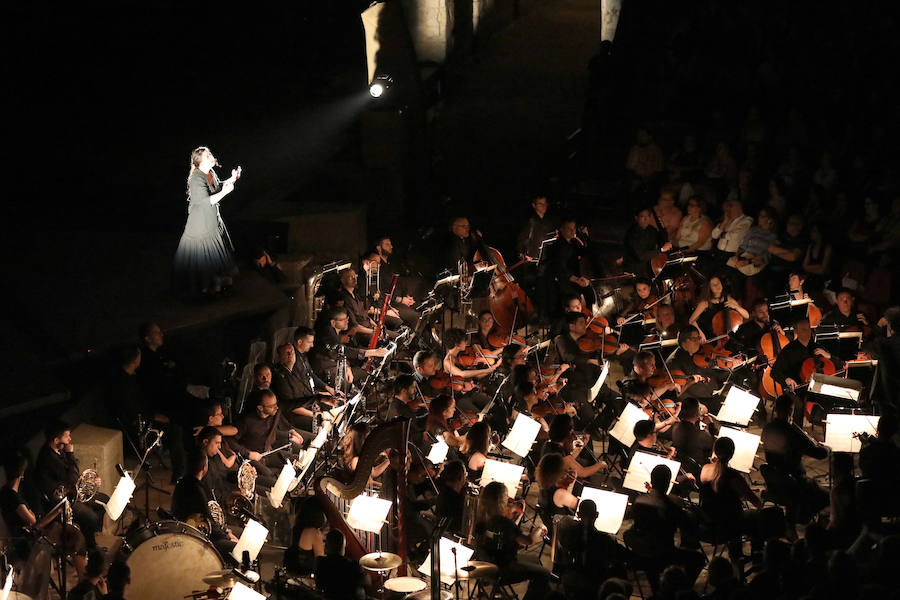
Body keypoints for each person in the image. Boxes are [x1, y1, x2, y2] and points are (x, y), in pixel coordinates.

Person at [173, 146, 241, 297]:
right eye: (208, 155)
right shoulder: (196, 178)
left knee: (217, 259)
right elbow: (205, 201)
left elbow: (217, 187)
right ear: (200, 161)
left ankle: (216, 287)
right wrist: (224, 192)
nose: (211, 156)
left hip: (212, 220)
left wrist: (232, 179)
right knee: (205, 259)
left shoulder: (210, 172)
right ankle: (203, 291)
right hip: (201, 226)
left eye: (210, 154)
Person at [30, 420, 108, 550]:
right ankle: (89, 547)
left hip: (71, 493)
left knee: (105, 501)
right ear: (56, 440)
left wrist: (92, 482)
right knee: (92, 518)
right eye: (67, 436)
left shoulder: (57, 451)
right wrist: (70, 454)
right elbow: (73, 479)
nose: (70, 439)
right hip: (62, 503)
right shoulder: (48, 458)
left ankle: (90, 538)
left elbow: (73, 477)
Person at [625, 464, 704, 587]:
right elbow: (687, 526)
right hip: (665, 553)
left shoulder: (639, 500)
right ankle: (682, 588)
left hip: (643, 551)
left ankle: (657, 588)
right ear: (668, 483)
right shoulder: (674, 502)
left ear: (651, 481)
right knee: (698, 559)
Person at [473, 481, 549, 600]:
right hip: (503, 569)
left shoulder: (480, 517)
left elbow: (507, 534)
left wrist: (517, 518)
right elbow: (528, 540)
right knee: (544, 574)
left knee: (535, 561)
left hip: (485, 566)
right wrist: (540, 528)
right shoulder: (504, 523)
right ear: (502, 501)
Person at [761, 395, 829, 524]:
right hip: (795, 481)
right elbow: (819, 454)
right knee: (827, 496)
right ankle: (803, 517)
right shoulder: (793, 433)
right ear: (791, 410)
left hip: (775, 479)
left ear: (775, 409)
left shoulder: (767, 428)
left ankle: (799, 514)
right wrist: (827, 448)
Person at [698, 437, 765, 562]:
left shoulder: (705, 469)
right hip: (727, 525)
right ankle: (757, 555)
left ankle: (737, 553)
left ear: (715, 451)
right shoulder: (732, 476)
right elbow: (754, 500)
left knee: (734, 512)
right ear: (732, 453)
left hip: (709, 521)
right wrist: (760, 499)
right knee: (756, 516)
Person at [557, 499, 628, 600]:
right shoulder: (604, 539)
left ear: (578, 514)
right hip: (594, 581)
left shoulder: (568, 533)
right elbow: (623, 555)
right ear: (597, 515)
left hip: (570, 575)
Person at [171, 451, 238, 556]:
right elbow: (209, 523)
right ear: (205, 467)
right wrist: (227, 536)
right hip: (199, 540)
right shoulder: (197, 490)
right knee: (240, 548)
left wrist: (226, 532)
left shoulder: (182, 482)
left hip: (188, 532)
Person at [771, 317, 833, 421]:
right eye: (804, 329)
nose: (807, 332)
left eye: (809, 329)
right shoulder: (788, 350)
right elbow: (774, 372)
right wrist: (787, 379)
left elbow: (836, 363)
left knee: (831, 400)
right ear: (796, 331)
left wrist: (828, 355)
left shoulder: (816, 347)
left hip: (814, 387)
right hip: (795, 388)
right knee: (799, 405)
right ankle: (796, 430)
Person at [687, 275, 748, 342]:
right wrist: (700, 333)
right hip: (710, 338)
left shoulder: (728, 299)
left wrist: (737, 307)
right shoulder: (705, 303)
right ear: (709, 288)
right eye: (714, 285)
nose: (717, 286)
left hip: (728, 338)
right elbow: (691, 320)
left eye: (718, 283)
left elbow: (746, 315)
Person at [1, 452, 37, 561]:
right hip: (23, 544)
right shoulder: (13, 497)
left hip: (17, 542)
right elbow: (32, 520)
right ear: (22, 473)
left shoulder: (4, 491)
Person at [671, 398, 718, 479]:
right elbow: (716, 443)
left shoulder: (676, 427)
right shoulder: (701, 435)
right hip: (698, 468)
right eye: (699, 409)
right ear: (697, 414)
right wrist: (711, 425)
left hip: (684, 462)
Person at [314, 530, 365, 600]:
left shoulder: (320, 562)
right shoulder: (353, 565)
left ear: (326, 546)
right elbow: (366, 583)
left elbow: (319, 585)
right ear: (343, 547)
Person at [284, 499, 326, 577]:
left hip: (294, 572)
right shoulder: (315, 533)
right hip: (306, 575)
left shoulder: (296, 528)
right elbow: (320, 561)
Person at [516, 195, 556, 261]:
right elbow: (521, 239)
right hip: (532, 259)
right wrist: (521, 254)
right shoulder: (530, 221)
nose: (544, 206)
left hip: (545, 258)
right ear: (534, 205)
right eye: (540, 204)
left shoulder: (550, 221)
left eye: (545, 203)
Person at [434, 460, 467, 536]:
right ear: (461, 477)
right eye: (465, 475)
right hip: (452, 535)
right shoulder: (456, 500)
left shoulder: (443, 492)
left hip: (442, 533)